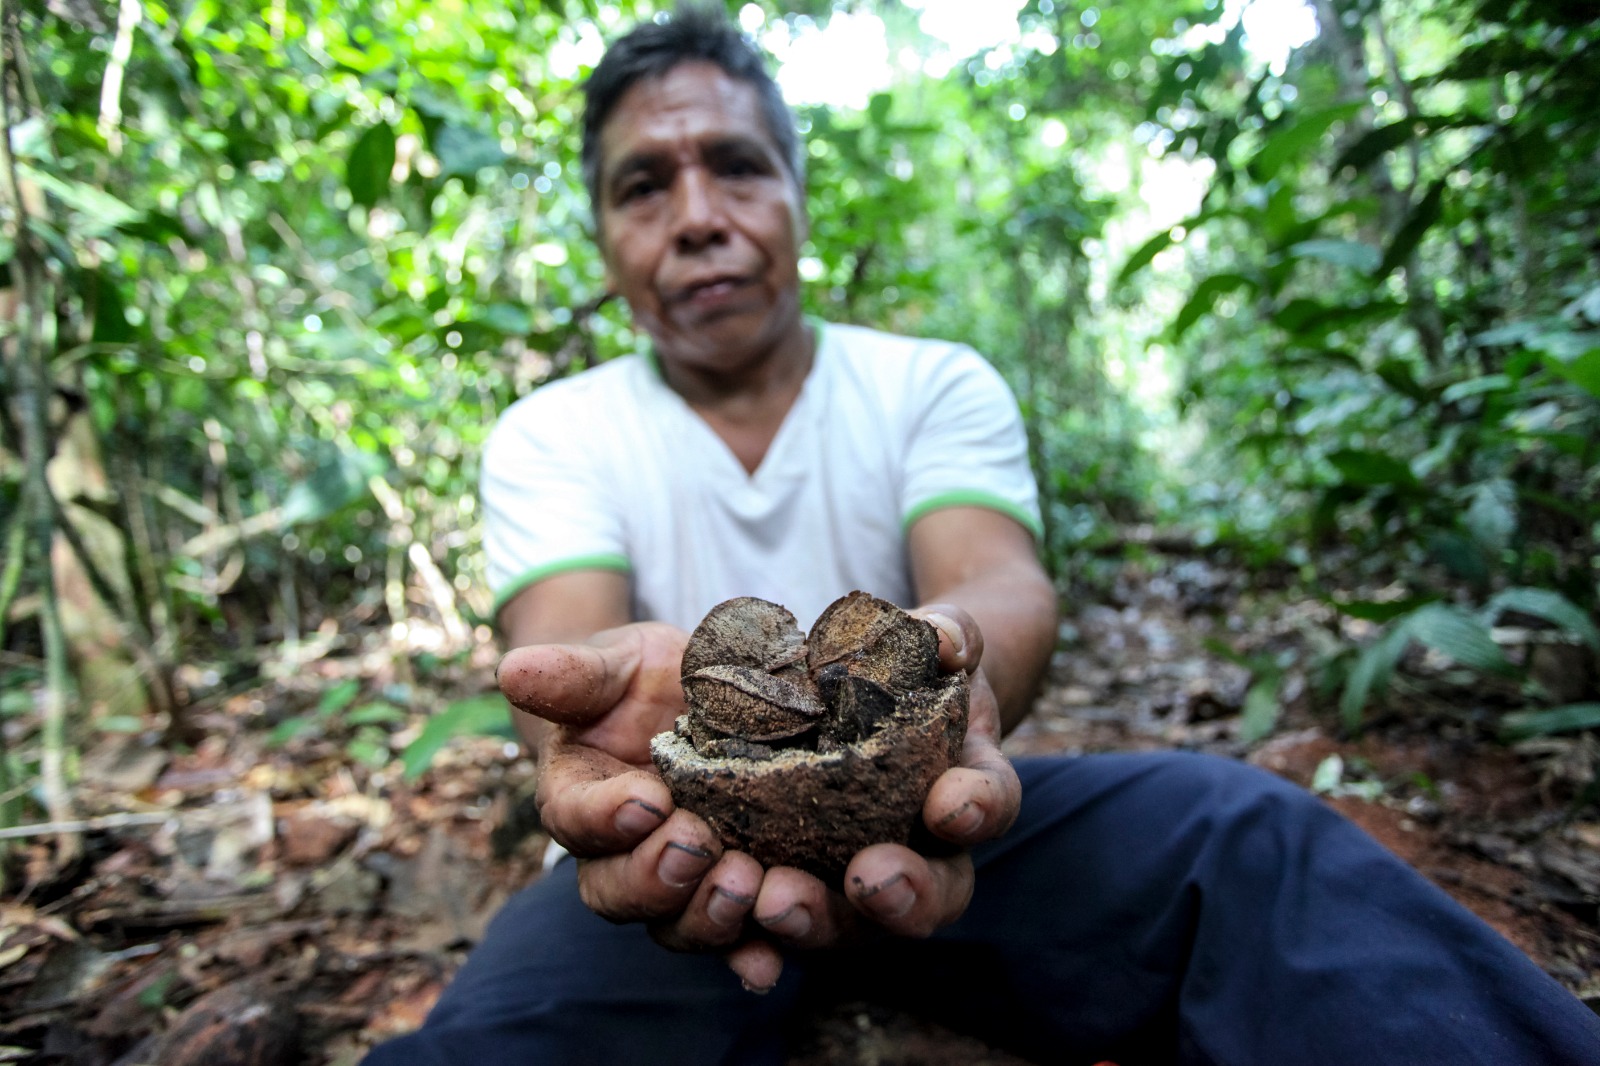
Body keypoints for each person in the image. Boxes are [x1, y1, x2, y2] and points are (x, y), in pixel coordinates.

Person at [365, 7, 1600, 1064]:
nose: (697, 216)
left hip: (946, 828)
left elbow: (996, 590)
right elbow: (561, 659)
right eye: (645, 183)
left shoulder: (928, 382)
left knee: (1244, 838)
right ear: (602, 231)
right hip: (680, 860)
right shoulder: (553, 430)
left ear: (797, 195)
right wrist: (613, 739)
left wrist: (953, 659)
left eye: (736, 166)